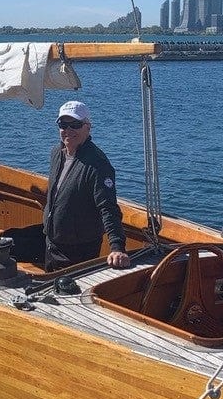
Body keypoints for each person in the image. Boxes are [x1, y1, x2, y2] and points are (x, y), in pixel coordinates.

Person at [7, 101, 130, 272]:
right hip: (51, 241)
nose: (69, 130)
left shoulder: (98, 165)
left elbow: (108, 208)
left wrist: (117, 248)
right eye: (63, 125)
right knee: (6, 244)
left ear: (88, 127)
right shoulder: (57, 153)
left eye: (76, 125)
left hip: (79, 248)